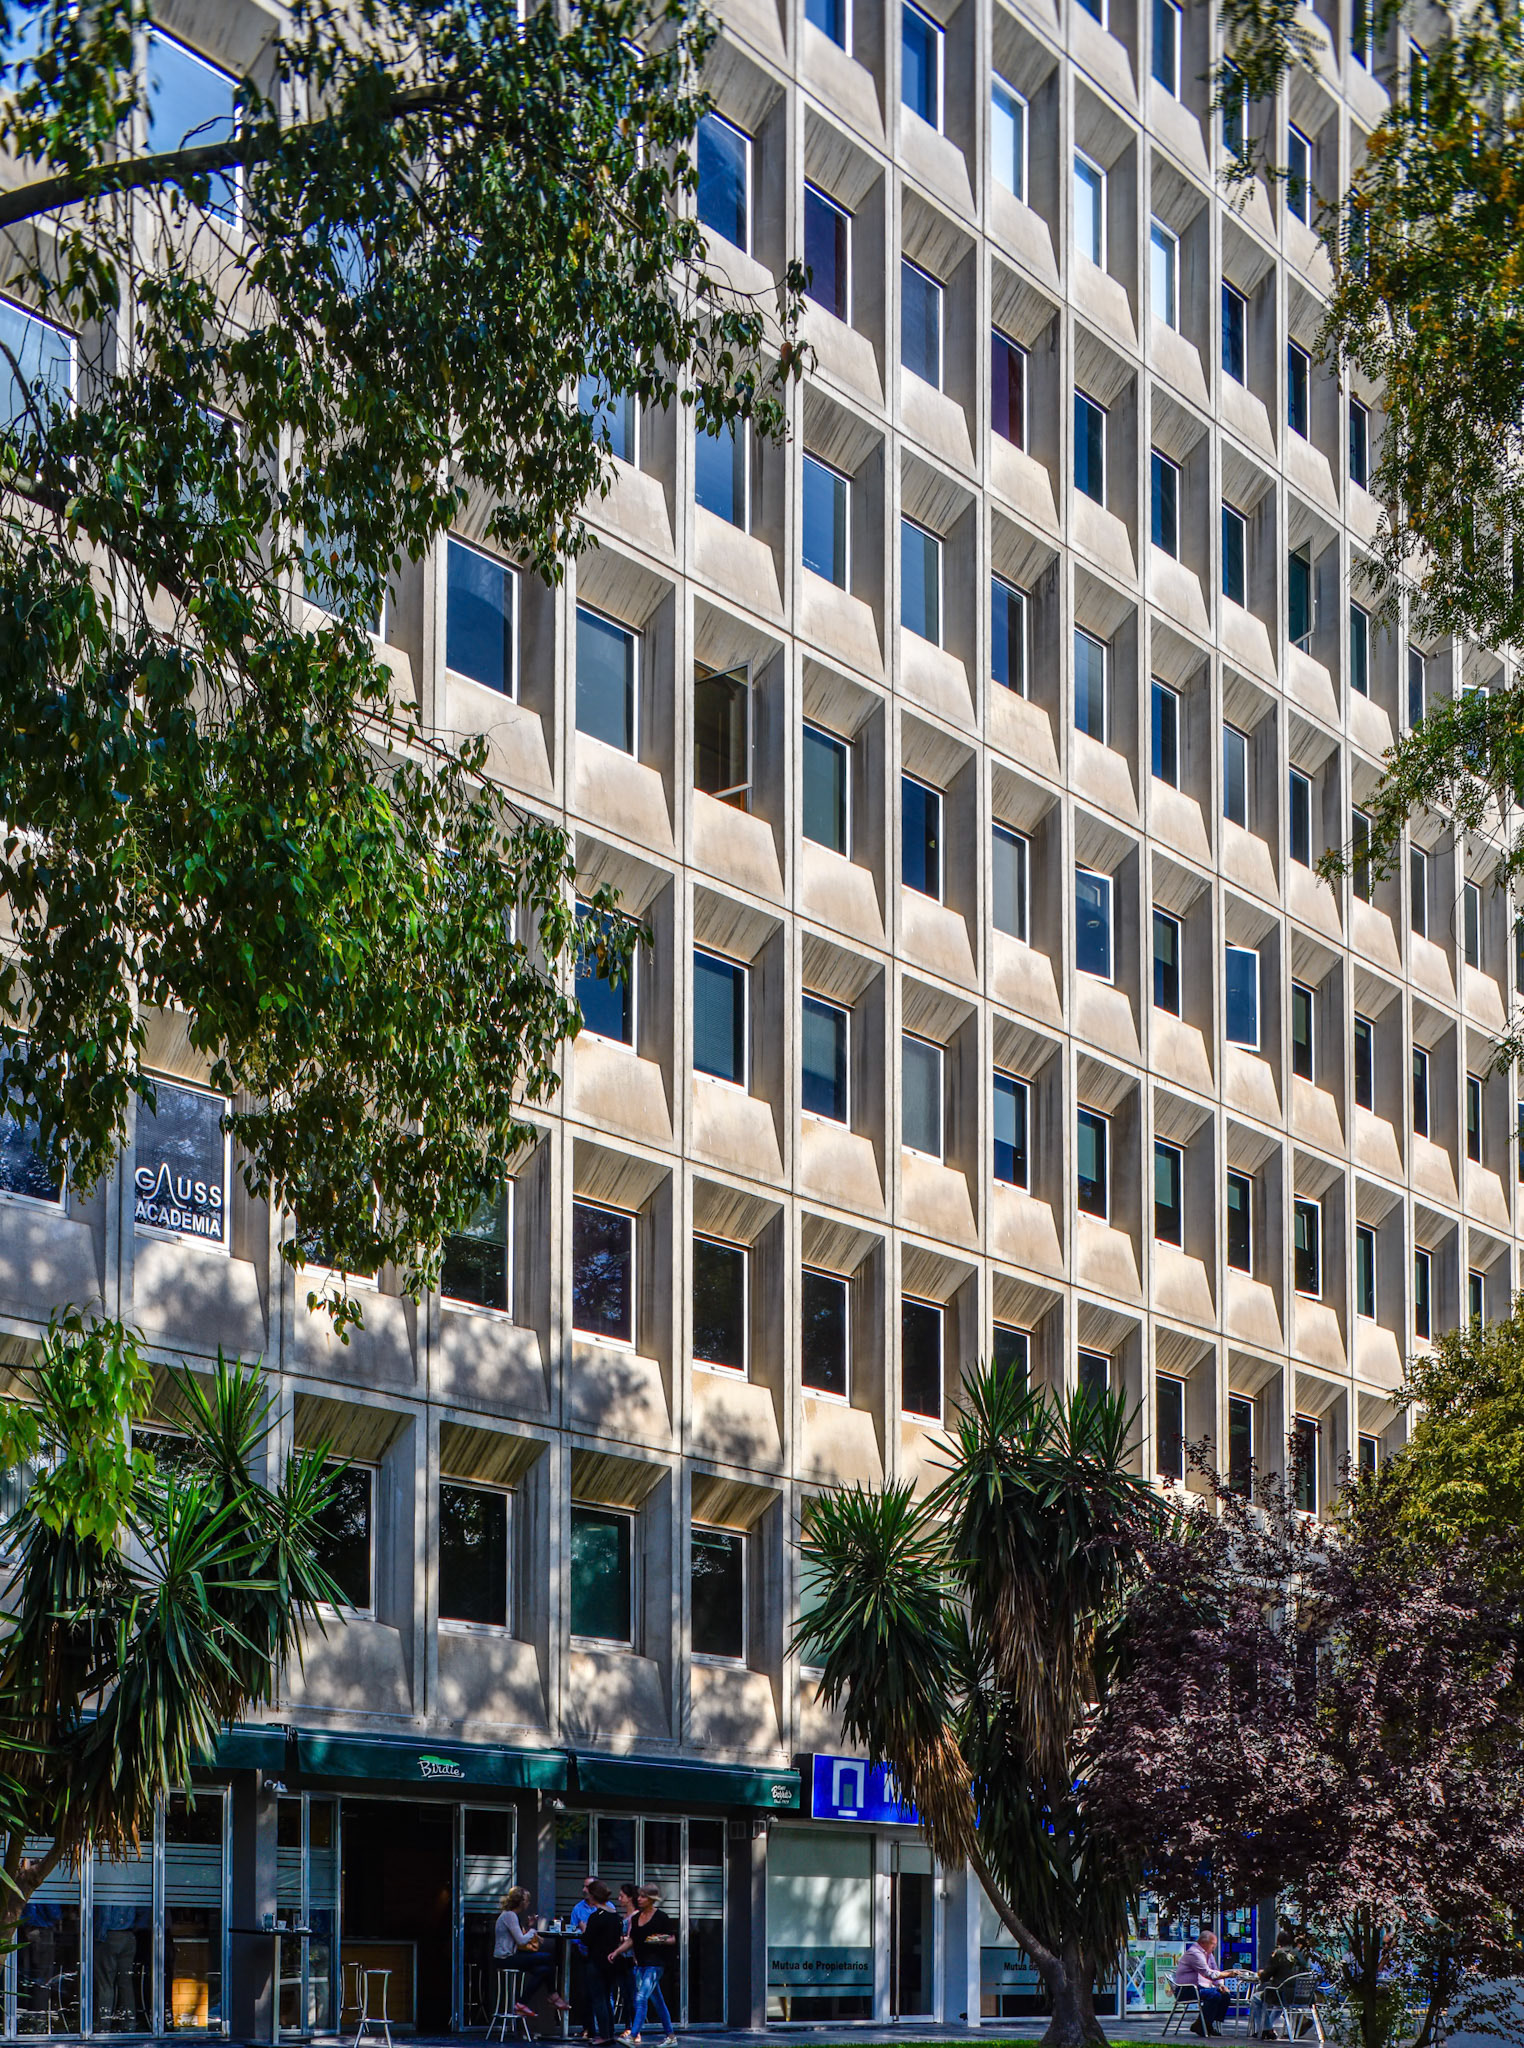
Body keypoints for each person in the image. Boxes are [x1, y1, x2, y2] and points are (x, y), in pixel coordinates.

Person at [614, 1885, 677, 2046]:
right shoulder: (635, 1919)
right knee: (657, 2001)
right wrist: (616, 1952)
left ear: (651, 1899)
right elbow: (631, 1940)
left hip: (655, 1964)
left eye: (643, 1897)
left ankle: (632, 2035)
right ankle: (671, 2037)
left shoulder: (661, 1917)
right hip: (640, 1964)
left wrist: (657, 1939)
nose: (639, 1899)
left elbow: (672, 1939)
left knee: (641, 1997)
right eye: (639, 1896)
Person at [494, 1888, 569, 2021]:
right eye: (528, 1901)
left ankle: (521, 2003)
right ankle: (553, 1996)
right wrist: (533, 1931)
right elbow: (521, 1940)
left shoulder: (509, 1915)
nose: (529, 1904)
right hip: (505, 1958)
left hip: (510, 1957)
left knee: (544, 1969)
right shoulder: (510, 1915)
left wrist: (529, 1927)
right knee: (548, 1957)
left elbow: (518, 1937)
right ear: (521, 1902)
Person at [580, 1880, 625, 2045]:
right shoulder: (615, 1916)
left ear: (593, 1896)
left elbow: (587, 1940)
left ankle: (604, 2035)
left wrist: (584, 1928)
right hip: (611, 1962)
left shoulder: (595, 1917)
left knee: (598, 1998)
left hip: (596, 1961)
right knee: (607, 1998)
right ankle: (610, 2032)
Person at [1249, 1924, 1308, 2039]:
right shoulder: (1299, 1954)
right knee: (1279, 2002)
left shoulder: (1279, 1954)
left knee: (1256, 1998)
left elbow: (1266, 1976)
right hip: (1302, 1996)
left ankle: (1266, 2029)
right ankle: (1268, 2027)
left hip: (1282, 1995)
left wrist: (1261, 1973)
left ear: (1278, 1941)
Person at [1175, 1929, 1231, 2038]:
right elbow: (1208, 1973)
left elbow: (1215, 1969)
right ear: (1203, 1943)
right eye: (1212, 1944)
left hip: (1199, 1988)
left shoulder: (1208, 1954)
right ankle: (1203, 2024)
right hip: (1186, 1990)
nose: (1214, 1947)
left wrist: (1221, 1985)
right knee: (1214, 1995)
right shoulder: (1194, 1953)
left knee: (1225, 1995)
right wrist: (1228, 1974)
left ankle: (1206, 2024)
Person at [568, 1876, 599, 2037]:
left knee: (602, 1993)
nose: (584, 1890)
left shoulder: (607, 1908)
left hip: (601, 1956)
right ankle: (588, 2028)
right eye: (583, 1886)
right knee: (584, 1993)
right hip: (583, 1954)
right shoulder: (578, 1908)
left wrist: (587, 1931)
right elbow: (574, 1933)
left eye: (587, 1887)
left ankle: (603, 2029)